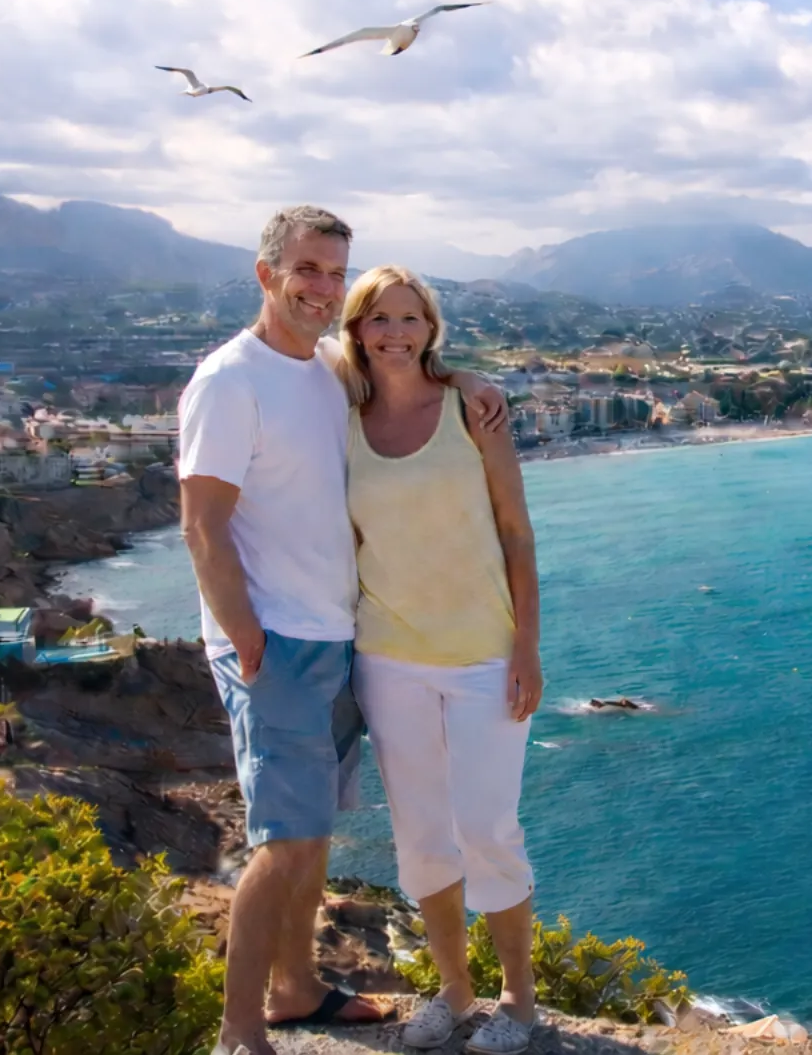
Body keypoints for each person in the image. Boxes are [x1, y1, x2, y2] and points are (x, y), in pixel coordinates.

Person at [180, 207, 509, 1055]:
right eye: (308, 269)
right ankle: (240, 1032)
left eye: (336, 272)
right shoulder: (230, 379)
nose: (323, 288)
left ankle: (295, 984)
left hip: (340, 636)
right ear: (266, 274)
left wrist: (468, 378)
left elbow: (406, 356)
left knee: (314, 831)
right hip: (276, 644)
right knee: (282, 841)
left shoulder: (328, 369)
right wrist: (244, 637)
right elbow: (202, 527)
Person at [338, 266, 544, 1055]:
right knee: (422, 835)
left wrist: (526, 646)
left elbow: (516, 532)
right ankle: (454, 992)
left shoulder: (472, 408)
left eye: (411, 318)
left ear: (432, 327)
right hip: (387, 658)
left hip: (484, 657)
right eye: (379, 319)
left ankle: (517, 1002)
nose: (395, 332)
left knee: (488, 827)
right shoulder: (343, 414)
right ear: (356, 329)